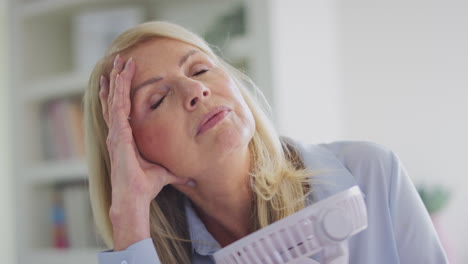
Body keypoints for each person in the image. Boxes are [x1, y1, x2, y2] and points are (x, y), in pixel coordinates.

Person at [83, 21, 448, 264]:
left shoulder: (371, 172)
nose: (195, 90)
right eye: (158, 99)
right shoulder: (152, 253)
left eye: (199, 69)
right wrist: (129, 214)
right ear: (134, 151)